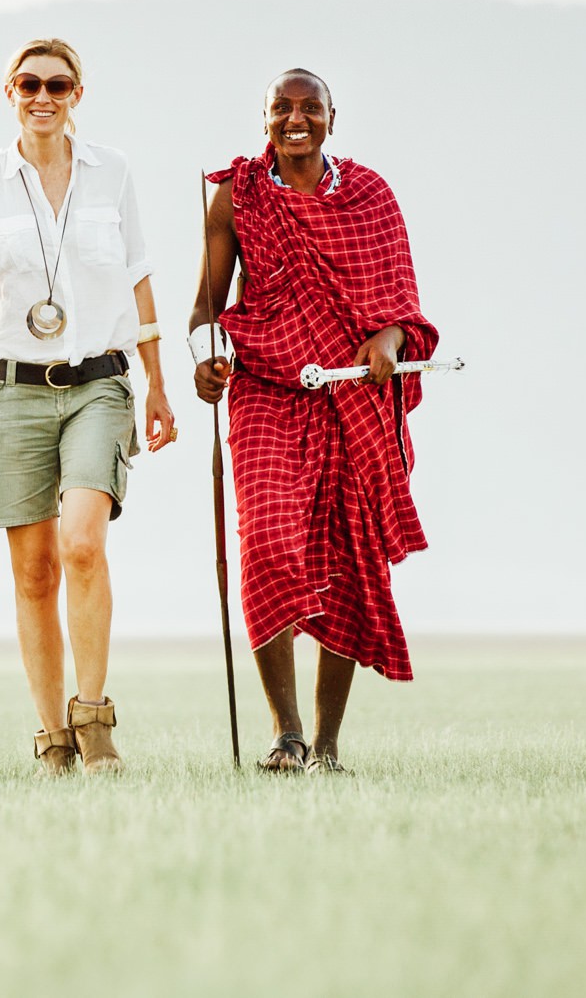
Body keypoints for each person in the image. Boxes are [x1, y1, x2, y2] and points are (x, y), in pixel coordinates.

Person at [0, 38, 176, 775]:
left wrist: (157, 384)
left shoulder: (114, 172)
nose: (44, 96)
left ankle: (94, 716)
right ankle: (52, 738)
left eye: (58, 84)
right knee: (34, 571)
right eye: (30, 83)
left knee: (81, 542)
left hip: (99, 382)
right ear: (9, 90)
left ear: (77, 94)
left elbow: (138, 280)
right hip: (14, 389)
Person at [190, 68, 439, 773]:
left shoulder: (370, 196)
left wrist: (387, 344)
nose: (295, 119)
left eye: (310, 108)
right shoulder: (236, 197)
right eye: (281, 108)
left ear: (334, 117)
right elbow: (205, 311)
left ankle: (326, 747)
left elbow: (402, 307)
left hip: (353, 394)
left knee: (347, 564)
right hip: (266, 387)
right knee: (266, 542)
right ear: (263, 117)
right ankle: (286, 733)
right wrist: (207, 359)